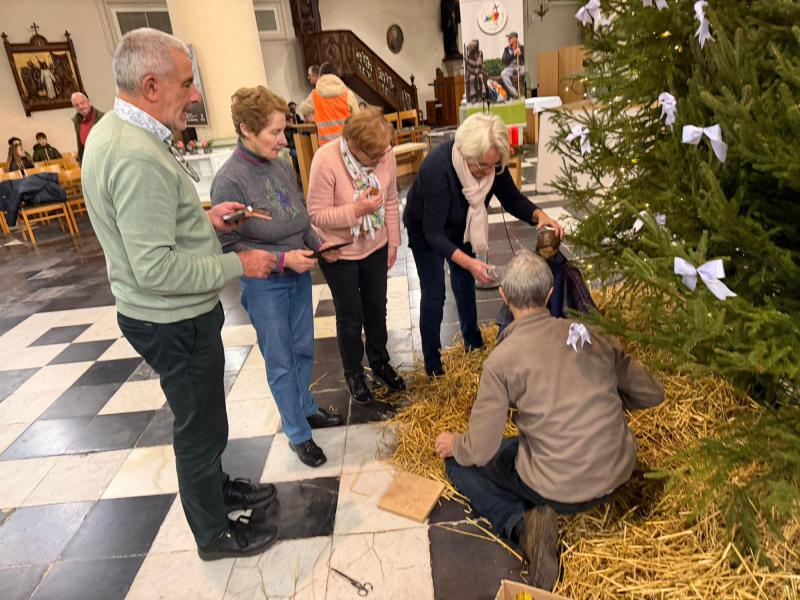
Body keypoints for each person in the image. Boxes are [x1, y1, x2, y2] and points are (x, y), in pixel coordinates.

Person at [81, 28, 280, 562]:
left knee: (206, 416)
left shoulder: (117, 133)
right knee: (199, 427)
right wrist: (238, 262)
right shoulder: (134, 154)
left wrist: (203, 217)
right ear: (151, 85)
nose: (195, 95)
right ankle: (213, 533)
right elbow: (155, 268)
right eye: (187, 83)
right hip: (172, 318)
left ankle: (215, 490)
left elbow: (149, 226)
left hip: (169, 314)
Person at [435, 250, 664, 590]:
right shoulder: (592, 334)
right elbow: (652, 393)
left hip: (560, 490)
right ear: (549, 294)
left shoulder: (501, 361)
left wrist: (453, 443)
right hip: (619, 473)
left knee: (460, 463)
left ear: (502, 295)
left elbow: (480, 449)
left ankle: (522, 526)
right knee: (517, 447)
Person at [211, 85, 343, 470]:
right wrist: (285, 259)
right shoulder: (229, 181)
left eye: (283, 130)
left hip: (298, 272)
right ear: (245, 130)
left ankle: (305, 408)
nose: (283, 140)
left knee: (303, 348)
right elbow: (229, 247)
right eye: (274, 133)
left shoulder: (281, 164)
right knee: (281, 359)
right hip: (266, 283)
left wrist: (318, 243)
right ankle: (297, 433)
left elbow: (297, 214)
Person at [402, 113, 563, 376]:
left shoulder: (492, 162)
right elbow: (433, 233)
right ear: (466, 153)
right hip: (426, 229)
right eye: (481, 166)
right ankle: (432, 363)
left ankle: (473, 342)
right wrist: (469, 262)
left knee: (465, 283)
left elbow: (512, 199)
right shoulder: (437, 168)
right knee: (434, 295)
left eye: (493, 166)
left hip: (462, 225)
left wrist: (539, 215)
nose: (488, 172)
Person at [307, 108, 404, 406]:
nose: (380, 160)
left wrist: (393, 242)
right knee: (351, 316)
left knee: (377, 308)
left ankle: (379, 360)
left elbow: (389, 199)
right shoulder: (326, 159)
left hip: (374, 246)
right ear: (354, 145)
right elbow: (316, 214)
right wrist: (356, 211)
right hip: (339, 252)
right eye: (373, 156)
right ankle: (353, 373)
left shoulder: (385, 154)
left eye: (382, 153)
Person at [298, 62, 360, 144]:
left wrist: (314, 114)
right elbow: (358, 118)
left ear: (320, 76)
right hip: (346, 143)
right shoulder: (347, 93)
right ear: (337, 76)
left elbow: (302, 108)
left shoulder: (315, 95)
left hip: (325, 145)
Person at [71, 91, 105, 162]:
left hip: (104, 159)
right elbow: (80, 146)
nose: (80, 106)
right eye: (77, 105)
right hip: (89, 160)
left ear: (88, 102)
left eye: (82, 103)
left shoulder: (103, 117)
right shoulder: (76, 121)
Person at [501, 32, 525, 98]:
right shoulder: (506, 49)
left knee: (525, 70)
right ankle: (515, 93)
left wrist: (521, 54)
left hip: (520, 67)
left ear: (515, 39)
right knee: (503, 73)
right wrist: (513, 54)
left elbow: (527, 59)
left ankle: (524, 91)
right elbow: (504, 60)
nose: (508, 39)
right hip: (510, 69)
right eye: (508, 38)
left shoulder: (522, 47)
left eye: (510, 38)